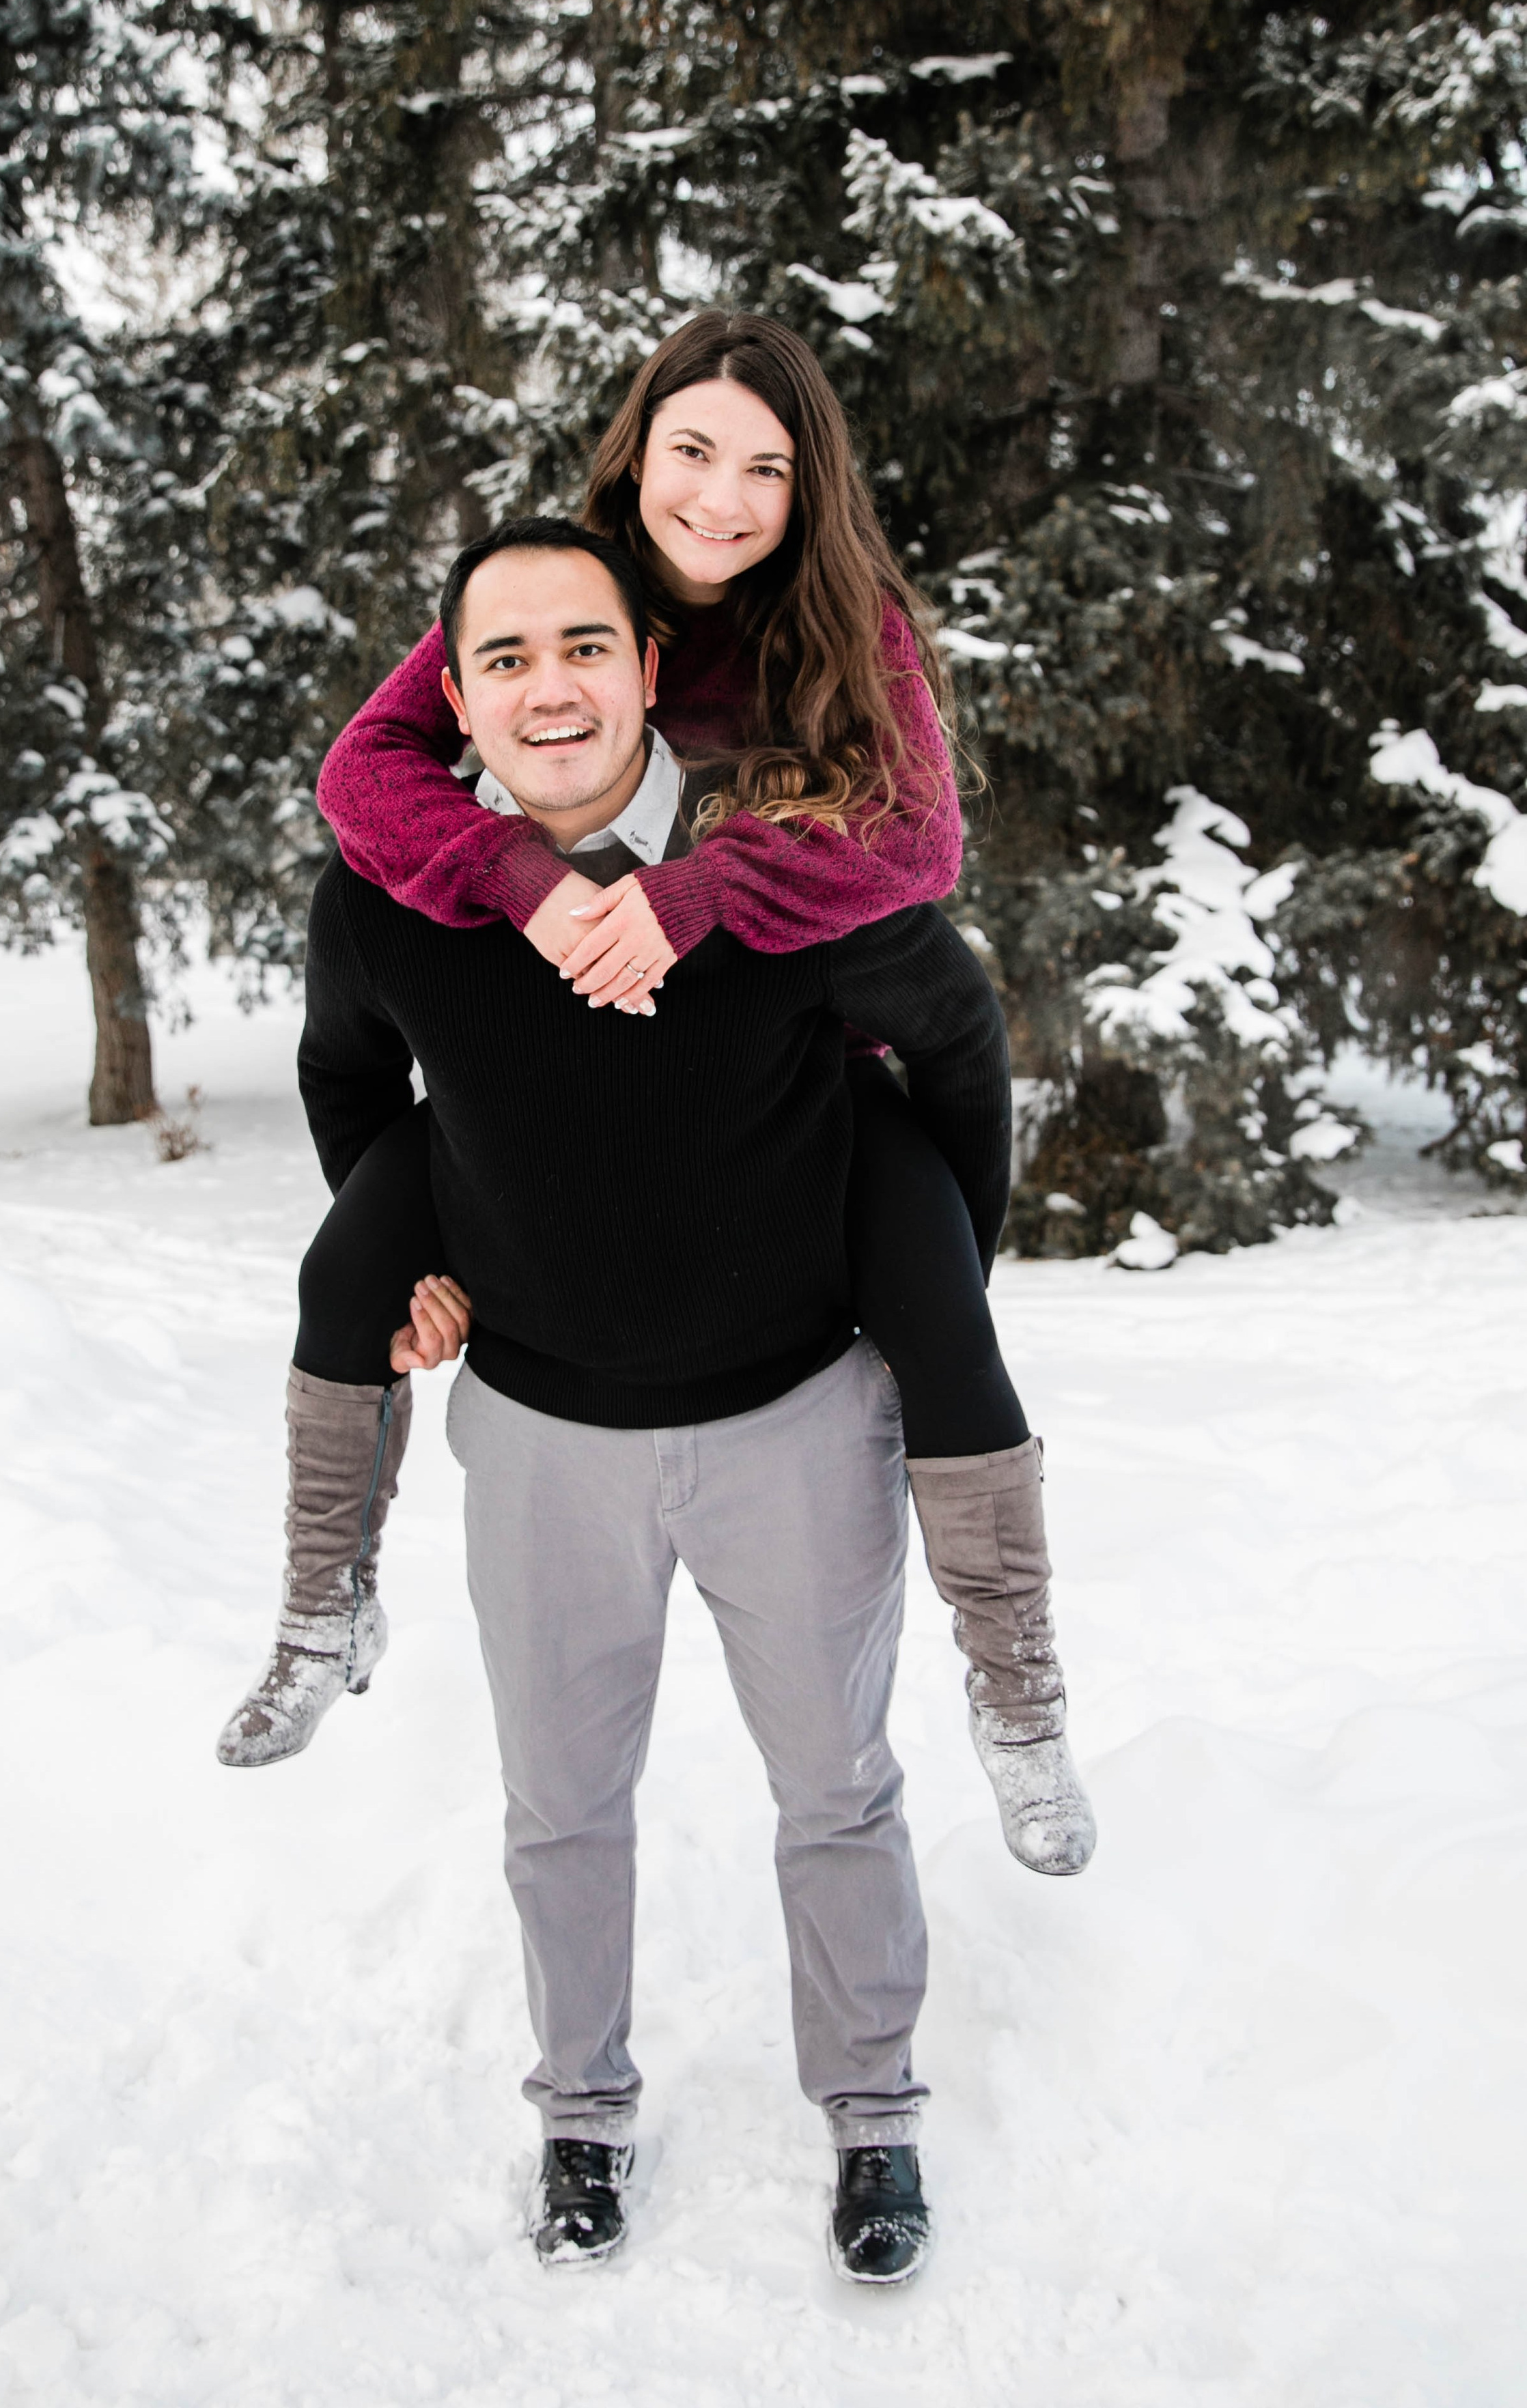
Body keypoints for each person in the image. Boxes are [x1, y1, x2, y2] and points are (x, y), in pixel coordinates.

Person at [216, 313, 1094, 1886]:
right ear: (635, 457)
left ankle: (1019, 1697)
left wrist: (704, 891)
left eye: (766, 468)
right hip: (550, 1039)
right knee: (346, 1267)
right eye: (691, 451)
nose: (721, 498)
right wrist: (513, 874)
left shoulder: (841, 614)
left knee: (941, 1305)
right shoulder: (571, 588)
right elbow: (363, 775)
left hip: (786, 1054)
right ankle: (320, 1602)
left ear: (806, 490)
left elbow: (918, 843)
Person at [288, 517, 1036, 2277]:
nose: (548, 687)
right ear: (453, 697)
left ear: (649, 665)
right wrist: (412, 1263)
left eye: (584, 647)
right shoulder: (390, 889)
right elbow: (349, 1079)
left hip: (794, 1426)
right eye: (504, 658)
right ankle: (580, 2109)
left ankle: (872, 2111)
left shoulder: (775, 871)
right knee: (559, 1808)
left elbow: (953, 1036)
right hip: (541, 1443)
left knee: (836, 1791)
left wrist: (934, 1276)